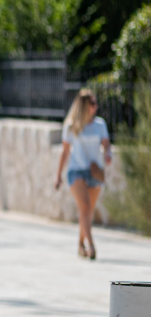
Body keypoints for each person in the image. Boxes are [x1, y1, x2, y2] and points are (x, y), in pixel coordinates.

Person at [55, 89, 111, 260]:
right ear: (83, 105)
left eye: (95, 103)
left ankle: (80, 242)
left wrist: (108, 154)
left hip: (94, 171)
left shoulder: (100, 125)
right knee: (85, 208)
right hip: (76, 171)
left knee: (87, 211)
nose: (95, 106)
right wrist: (58, 176)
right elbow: (65, 152)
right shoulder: (71, 126)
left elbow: (107, 145)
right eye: (92, 103)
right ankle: (91, 246)